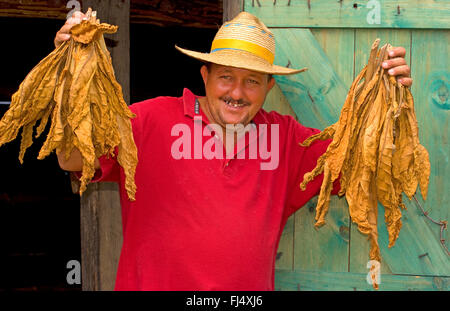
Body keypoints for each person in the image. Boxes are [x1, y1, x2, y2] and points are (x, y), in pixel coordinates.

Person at [55, 11, 413, 291]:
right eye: (226, 76)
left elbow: (369, 170)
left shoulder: (287, 139)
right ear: (205, 76)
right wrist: (71, 74)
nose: (237, 93)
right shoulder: (146, 120)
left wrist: (389, 101)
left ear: (269, 87)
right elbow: (70, 159)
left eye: (252, 81)